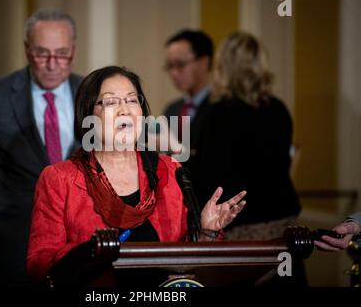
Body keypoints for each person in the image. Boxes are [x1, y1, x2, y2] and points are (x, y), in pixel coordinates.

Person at [26, 66, 246, 284]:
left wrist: (206, 230)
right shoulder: (59, 178)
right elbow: (39, 265)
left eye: (132, 100)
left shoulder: (169, 170)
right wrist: (90, 252)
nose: (125, 110)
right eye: (111, 102)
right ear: (88, 114)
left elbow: (186, 262)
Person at [0, 9, 82, 286]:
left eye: (62, 54)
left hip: (77, 252)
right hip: (7, 249)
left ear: (74, 50)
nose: (52, 64)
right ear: (26, 49)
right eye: (42, 54)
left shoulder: (91, 93)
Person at [195, 31, 301, 239]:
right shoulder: (279, 108)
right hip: (283, 218)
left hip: (240, 224)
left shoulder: (219, 111)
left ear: (223, 67)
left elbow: (207, 174)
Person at [163, 30, 214, 204]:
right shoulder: (172, 109)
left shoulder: (221, 110)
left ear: (204, 62)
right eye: (170, 66)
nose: (174, 73)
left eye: (180, 65)